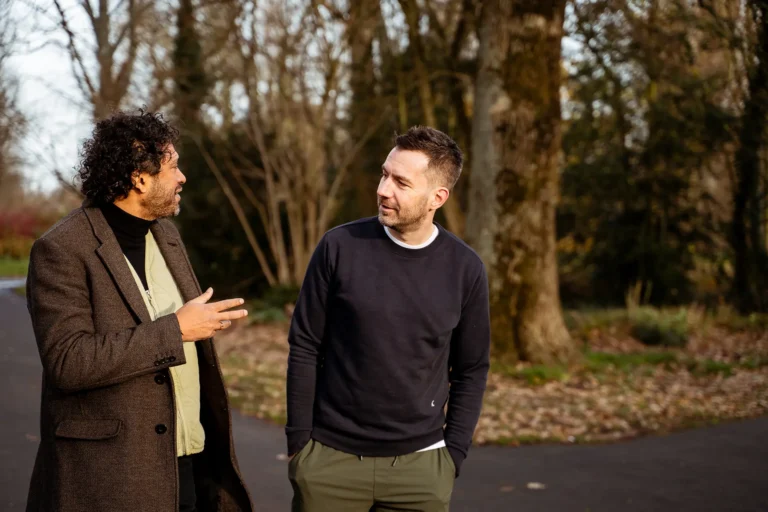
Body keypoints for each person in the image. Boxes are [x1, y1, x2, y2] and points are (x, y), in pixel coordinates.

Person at [25, 109, 253, 512]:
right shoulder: (61, 248)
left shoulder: (166, 234)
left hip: (188, 465)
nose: (182, 177)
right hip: (111, 478)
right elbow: (68, 360)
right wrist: (176, 330)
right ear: (139, 177)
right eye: (173, 166)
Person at [285, 126, 491, 511]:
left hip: (421, 470)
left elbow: (472, 368)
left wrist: (453, 455)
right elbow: (305, 345)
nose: (383, 189)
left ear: (437, 197)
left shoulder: (465, 269)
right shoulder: (339, 247)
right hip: (330, 462)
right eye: (384, 174)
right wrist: (300, 444)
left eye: (401, 182)